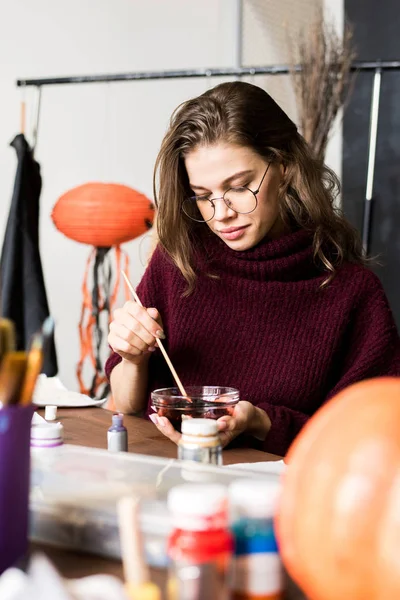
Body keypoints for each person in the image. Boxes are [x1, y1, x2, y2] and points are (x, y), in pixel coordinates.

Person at [105, 81, 400, 457]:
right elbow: (127, 404)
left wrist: (263, 423)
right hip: (165, 482)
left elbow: (375, 436)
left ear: (285, 168)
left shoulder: (351, 292)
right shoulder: (178, 262)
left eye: (239, 187)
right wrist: (133, 358)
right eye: (202, 195)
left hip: (283, 501)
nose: (221, 213)